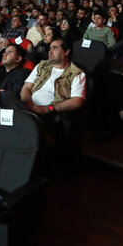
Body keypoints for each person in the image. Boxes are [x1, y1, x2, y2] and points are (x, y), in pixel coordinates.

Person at [19, 36, 86, 164]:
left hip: (47, 112)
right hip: (27, 106)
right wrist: (28, 104)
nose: (50, 51)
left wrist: (47, 109)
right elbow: (26, 87)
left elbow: (77, 101)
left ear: (67, 52)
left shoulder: (76, 73)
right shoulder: (42, 65)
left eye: (55, 48)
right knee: (7, 96)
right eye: (50, 48)